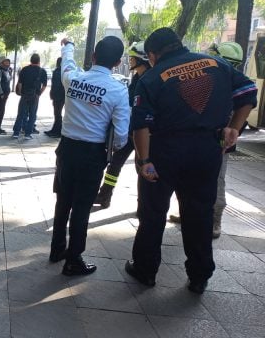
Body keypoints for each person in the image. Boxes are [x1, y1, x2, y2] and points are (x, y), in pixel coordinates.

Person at [125, 27, 257, 294]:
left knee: (152, 212)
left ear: (152, 54)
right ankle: (199, 276)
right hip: (207, 151)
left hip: (164, 152)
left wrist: (144, 160)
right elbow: (248, 91)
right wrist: (234, 126)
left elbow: (140, 125)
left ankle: (146, 270)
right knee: (199, 215)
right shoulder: (217, 64)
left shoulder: (151, 78)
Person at [49, 36, 130, 276]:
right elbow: (121, 136)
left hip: (66, 149)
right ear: (117, 63)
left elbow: (67, 62)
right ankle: (73, 259)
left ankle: (57, 249)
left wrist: (69, 45)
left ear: (93, 56)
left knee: (63, 201)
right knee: (82, 207)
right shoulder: (118, 90)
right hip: (92, 155)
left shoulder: (74, 78)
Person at [168, 41, 246, 239]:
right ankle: (189, 213)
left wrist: (230, 132)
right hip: (203, 141)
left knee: (216, 181)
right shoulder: (225, 80)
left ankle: (214, 223)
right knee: (194, 179)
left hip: (218, 142)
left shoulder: (228, 82)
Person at [93, 42, 151, 208]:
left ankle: (144, 204)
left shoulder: (152, 78)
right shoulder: (137, 78)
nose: (130, 60)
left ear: (143, 59)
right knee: (115, 163)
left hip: (144, 133)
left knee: (142, 168)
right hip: (130, 131)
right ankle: (105, 195)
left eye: (133, 58)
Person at [12, 53, 48, 139]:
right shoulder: (42, 71)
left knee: (20, 114)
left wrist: (20, 92)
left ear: (30, 60)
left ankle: (16, 133)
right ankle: (28, 134)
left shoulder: (24, 69)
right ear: (39, 61)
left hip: (24, 94)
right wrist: (39, 94)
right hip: (35, 95)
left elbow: (20, 83)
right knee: (32, 115)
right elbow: (44, 85)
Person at [45, 57, 65, 138]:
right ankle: (55, 129)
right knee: (57, 113)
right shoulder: (64, 72)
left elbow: (55, 85)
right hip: (61, 95)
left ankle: (57, 131)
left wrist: (52, 93)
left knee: (57, 113)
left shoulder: (58, 72)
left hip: (58, 95)